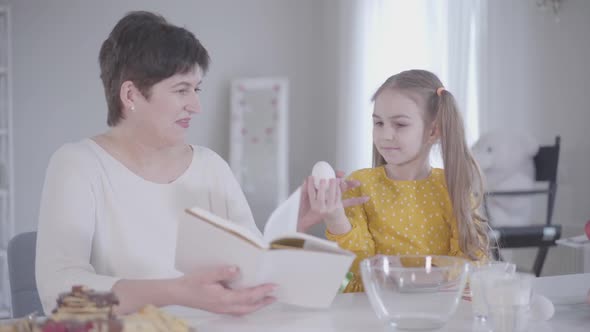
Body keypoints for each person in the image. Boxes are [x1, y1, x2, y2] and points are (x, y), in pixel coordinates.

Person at [36, 11, 359, 316]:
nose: (196, 106)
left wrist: (293, 225)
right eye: (182, 90)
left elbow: (249, 273)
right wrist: (175, 292)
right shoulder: (79, 165)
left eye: (196, 89)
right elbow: (60, 296)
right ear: (131, 95)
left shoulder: (210, 166)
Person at [303, 69, 489, 292]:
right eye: (378, 123)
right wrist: (335, 219)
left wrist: (406, 278)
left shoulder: (450, 188)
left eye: (399, 124)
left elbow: (471, 262)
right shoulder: (359, 185)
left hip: (438, 310)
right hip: (371, 311)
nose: (385, 135)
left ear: (433, 131)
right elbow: (356, 269)